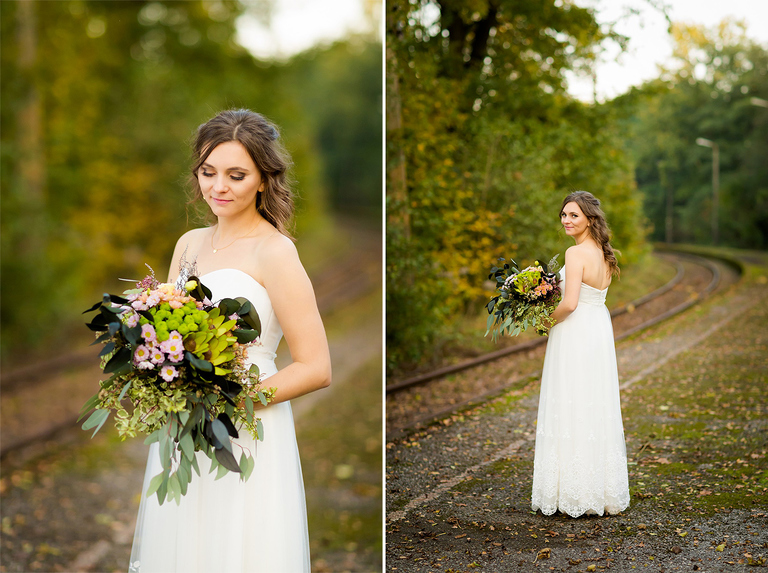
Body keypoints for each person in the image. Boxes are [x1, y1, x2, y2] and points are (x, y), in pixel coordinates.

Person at [129, 109, 332, 572]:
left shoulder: (276, 252)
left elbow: (317, 366)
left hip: (246, 430)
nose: (218, 186)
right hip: (185, 430)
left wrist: (228, 398)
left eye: (236, 175)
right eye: (208, 172)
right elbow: (171, 334)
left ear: (263, 179)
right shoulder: (188, 244)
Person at [530, 190, 630, 517]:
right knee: (593, 402)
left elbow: (570, 304)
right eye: (564, 215)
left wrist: (542, 322)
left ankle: (573, 493)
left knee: (570, 401)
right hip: (598, 328)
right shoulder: (603, 252)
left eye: (574, 215)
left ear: (589, 218)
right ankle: (597, 490)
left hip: (575, 331)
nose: (567, 221)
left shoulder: (574, 255)